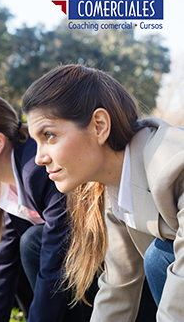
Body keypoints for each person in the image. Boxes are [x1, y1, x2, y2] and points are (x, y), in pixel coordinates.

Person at [22, 64, 182, 321]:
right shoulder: (114, 188)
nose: (39, 158)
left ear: (99, 126)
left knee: (159, 256)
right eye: (36, 141)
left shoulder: (175, 163)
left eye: (49, 135)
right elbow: (118, 288)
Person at [0, 93, 91, 322]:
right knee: (23, 246)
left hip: (103, 268)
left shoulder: (37, 169)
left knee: (33, 241)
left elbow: (55, 257)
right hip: (69, 270)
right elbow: (2, 264)